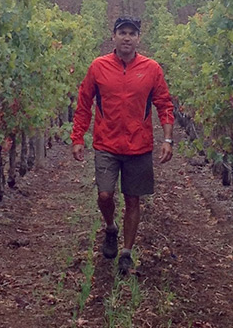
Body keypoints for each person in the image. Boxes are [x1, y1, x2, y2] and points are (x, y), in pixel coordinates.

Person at [71, 16, 174, 276]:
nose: (127, 37)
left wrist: (168, 139)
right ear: (113, 37)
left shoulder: (151, 69)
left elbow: (164, 104)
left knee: (133, 199)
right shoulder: (99, 67)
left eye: (132, 33)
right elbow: (84, 103)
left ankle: (126, 252)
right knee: (105, 195)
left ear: (139, 38)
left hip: (139, 146)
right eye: (122, 32)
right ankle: (110, 227)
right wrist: (77, 138)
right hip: (106, 143)